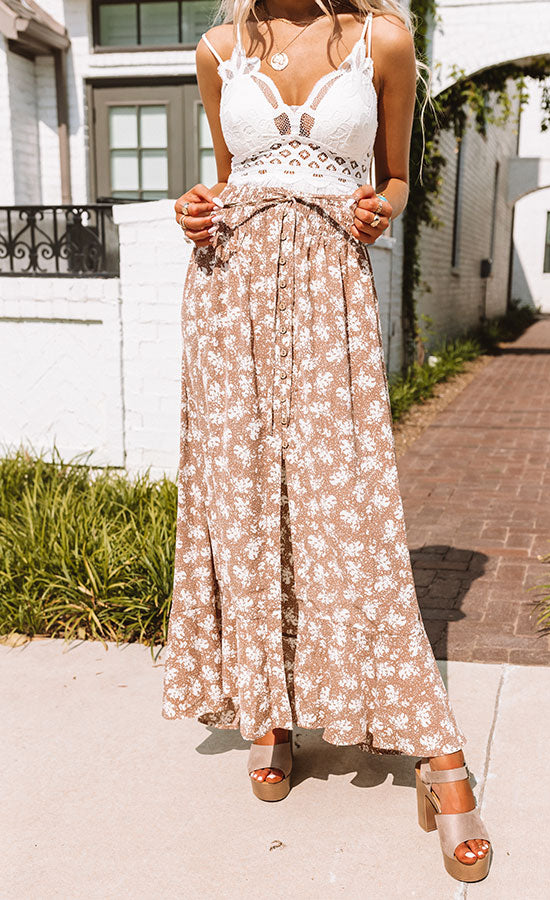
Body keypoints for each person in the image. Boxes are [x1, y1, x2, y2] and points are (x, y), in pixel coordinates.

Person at [162, 0, 492, 883]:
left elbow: (397, 178)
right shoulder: (217, 50)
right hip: (228, 292)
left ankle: (437, 748)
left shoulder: (383, 39)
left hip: (328, 289)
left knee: (350, 512)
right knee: (242, 504)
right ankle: (268, 713)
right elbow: (226, 179)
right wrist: (196, 207)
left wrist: (382, 209)